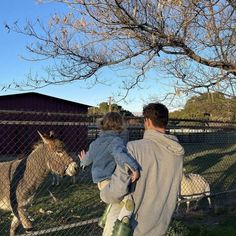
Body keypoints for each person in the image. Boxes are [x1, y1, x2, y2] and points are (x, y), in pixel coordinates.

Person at [100, 103, 184, 236]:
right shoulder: (177, 153)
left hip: (129, 229)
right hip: (160, 227)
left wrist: (103, 192)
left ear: (147, 121)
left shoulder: (133, 149)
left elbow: (116, 192)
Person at [79, 112, 140, 228]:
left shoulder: (95, 143)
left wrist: (82, 161)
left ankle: (105, 219)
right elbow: (119, 155)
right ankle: (121, 229)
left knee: (117, 203)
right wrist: (134, 168)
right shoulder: (116, 141)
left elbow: (87, 160)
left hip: (100, 183)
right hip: (110, 180)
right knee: (129, 203)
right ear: (120, 125)